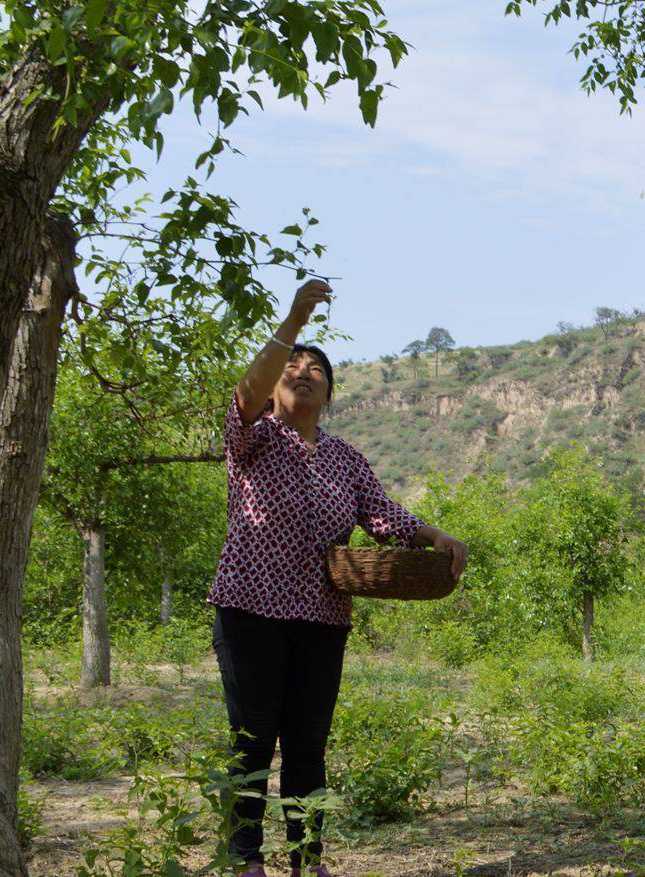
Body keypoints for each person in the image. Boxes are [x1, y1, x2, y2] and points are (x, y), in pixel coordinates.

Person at [210, 278, 470, 877]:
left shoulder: (346, 458)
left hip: (323, 618)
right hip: (249, 610)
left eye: (316, 370)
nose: (303, 371)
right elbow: (243, 395)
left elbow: (383, 515)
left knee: (306, 744)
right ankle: (246, 860)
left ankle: (307, 859)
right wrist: (294, 321)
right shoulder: (251, 439)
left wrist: (435, 537)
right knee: (252, 740)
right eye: (292, 367)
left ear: (329, 393)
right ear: (275, 388)